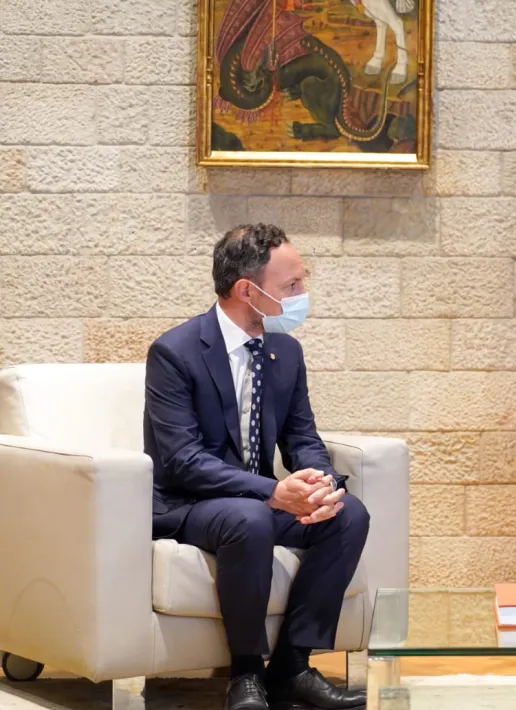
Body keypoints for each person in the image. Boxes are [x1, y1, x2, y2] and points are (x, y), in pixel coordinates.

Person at [144, 224, 370, 710]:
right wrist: (271, 491)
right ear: (248, 290)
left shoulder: (285, 351)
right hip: (191, 503)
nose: (302, 295)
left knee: (348, 514)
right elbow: (183, 460)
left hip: (257, 501)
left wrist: (320, 483)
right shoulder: (175, 352)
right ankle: (246, 672)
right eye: (292, 285)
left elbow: (302, 437)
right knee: (249, 518)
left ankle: (292, 666)